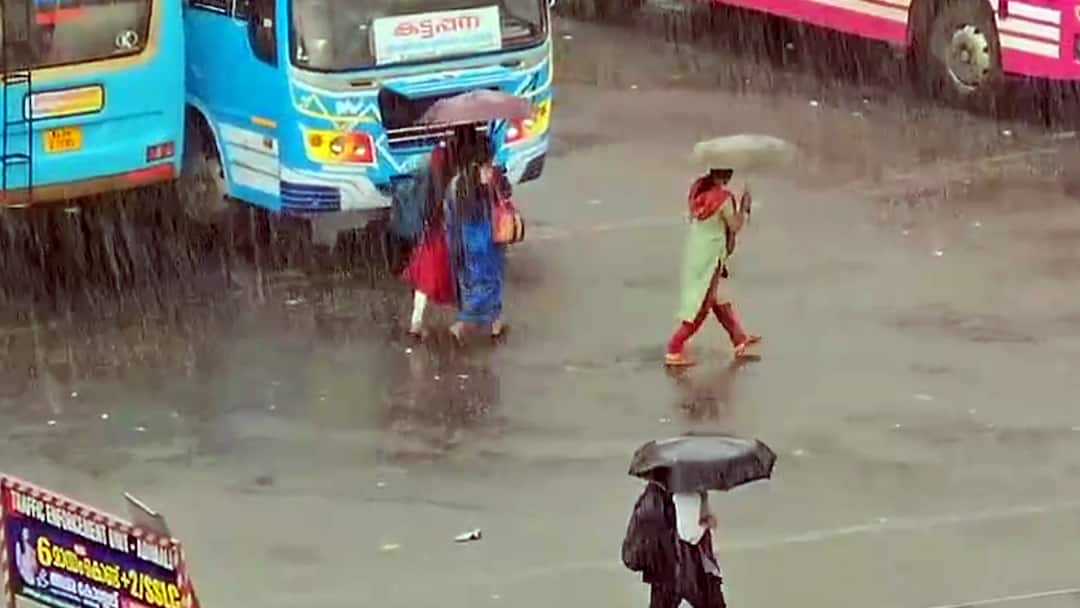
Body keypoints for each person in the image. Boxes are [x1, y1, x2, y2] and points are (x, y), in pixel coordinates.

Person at [665, 168, 760, 367]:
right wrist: (743, 208)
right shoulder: (723, 199)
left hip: (697, 252)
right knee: (702, 305)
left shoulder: (698, 190)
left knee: (718, 298)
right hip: (711, 256)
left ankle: (738, 338)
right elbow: (734, 225)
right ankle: (674, 348)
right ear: (726, 175)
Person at [443, 129, 509, 344]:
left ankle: (477, 321)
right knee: (486, 279)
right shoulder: (477, 183)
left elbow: (451, 215)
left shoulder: (456, 183)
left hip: (465, 241)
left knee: (472, 281)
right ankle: (477, 322)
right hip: (482, 240)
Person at [622, 482, 727, 608]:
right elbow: (689, 534)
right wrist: (706, 526)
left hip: (662, 567)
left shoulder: (654, 490)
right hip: (685, 569)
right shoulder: (686, 490)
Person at [403, 142, 456, 339]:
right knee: (454, 275)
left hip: (432, 233)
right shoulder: (455, 172)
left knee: (425, 278)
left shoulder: (429, 168)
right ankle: (466, 320)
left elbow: (423, 202)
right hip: (446, 233)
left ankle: (416, 321)